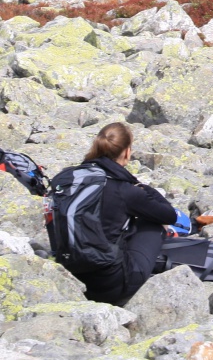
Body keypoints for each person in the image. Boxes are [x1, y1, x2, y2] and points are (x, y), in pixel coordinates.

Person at [70, 123, 178, 304]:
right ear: (127, 152)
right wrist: (142, 187)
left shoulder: (70, 178)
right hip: (110, 285)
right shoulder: (124, 189)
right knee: (152, 222)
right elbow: (169, 215)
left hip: (71, 274)